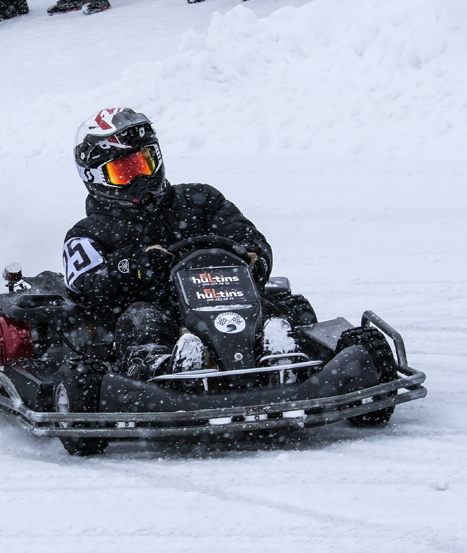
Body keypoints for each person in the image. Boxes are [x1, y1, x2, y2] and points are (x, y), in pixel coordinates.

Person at [61, 108, 301, 381]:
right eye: (125, 171)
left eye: (144, 163)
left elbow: (247, 236)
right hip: (157, 312)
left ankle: (281, 354)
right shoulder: (88, 233)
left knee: (272, 308)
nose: (141, 178)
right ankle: (163, 370)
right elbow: (86, 285)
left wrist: (252, 256)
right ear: (96, 178)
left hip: (223, 297)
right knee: (141, 319)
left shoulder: (201, 199)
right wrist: (134, 265)